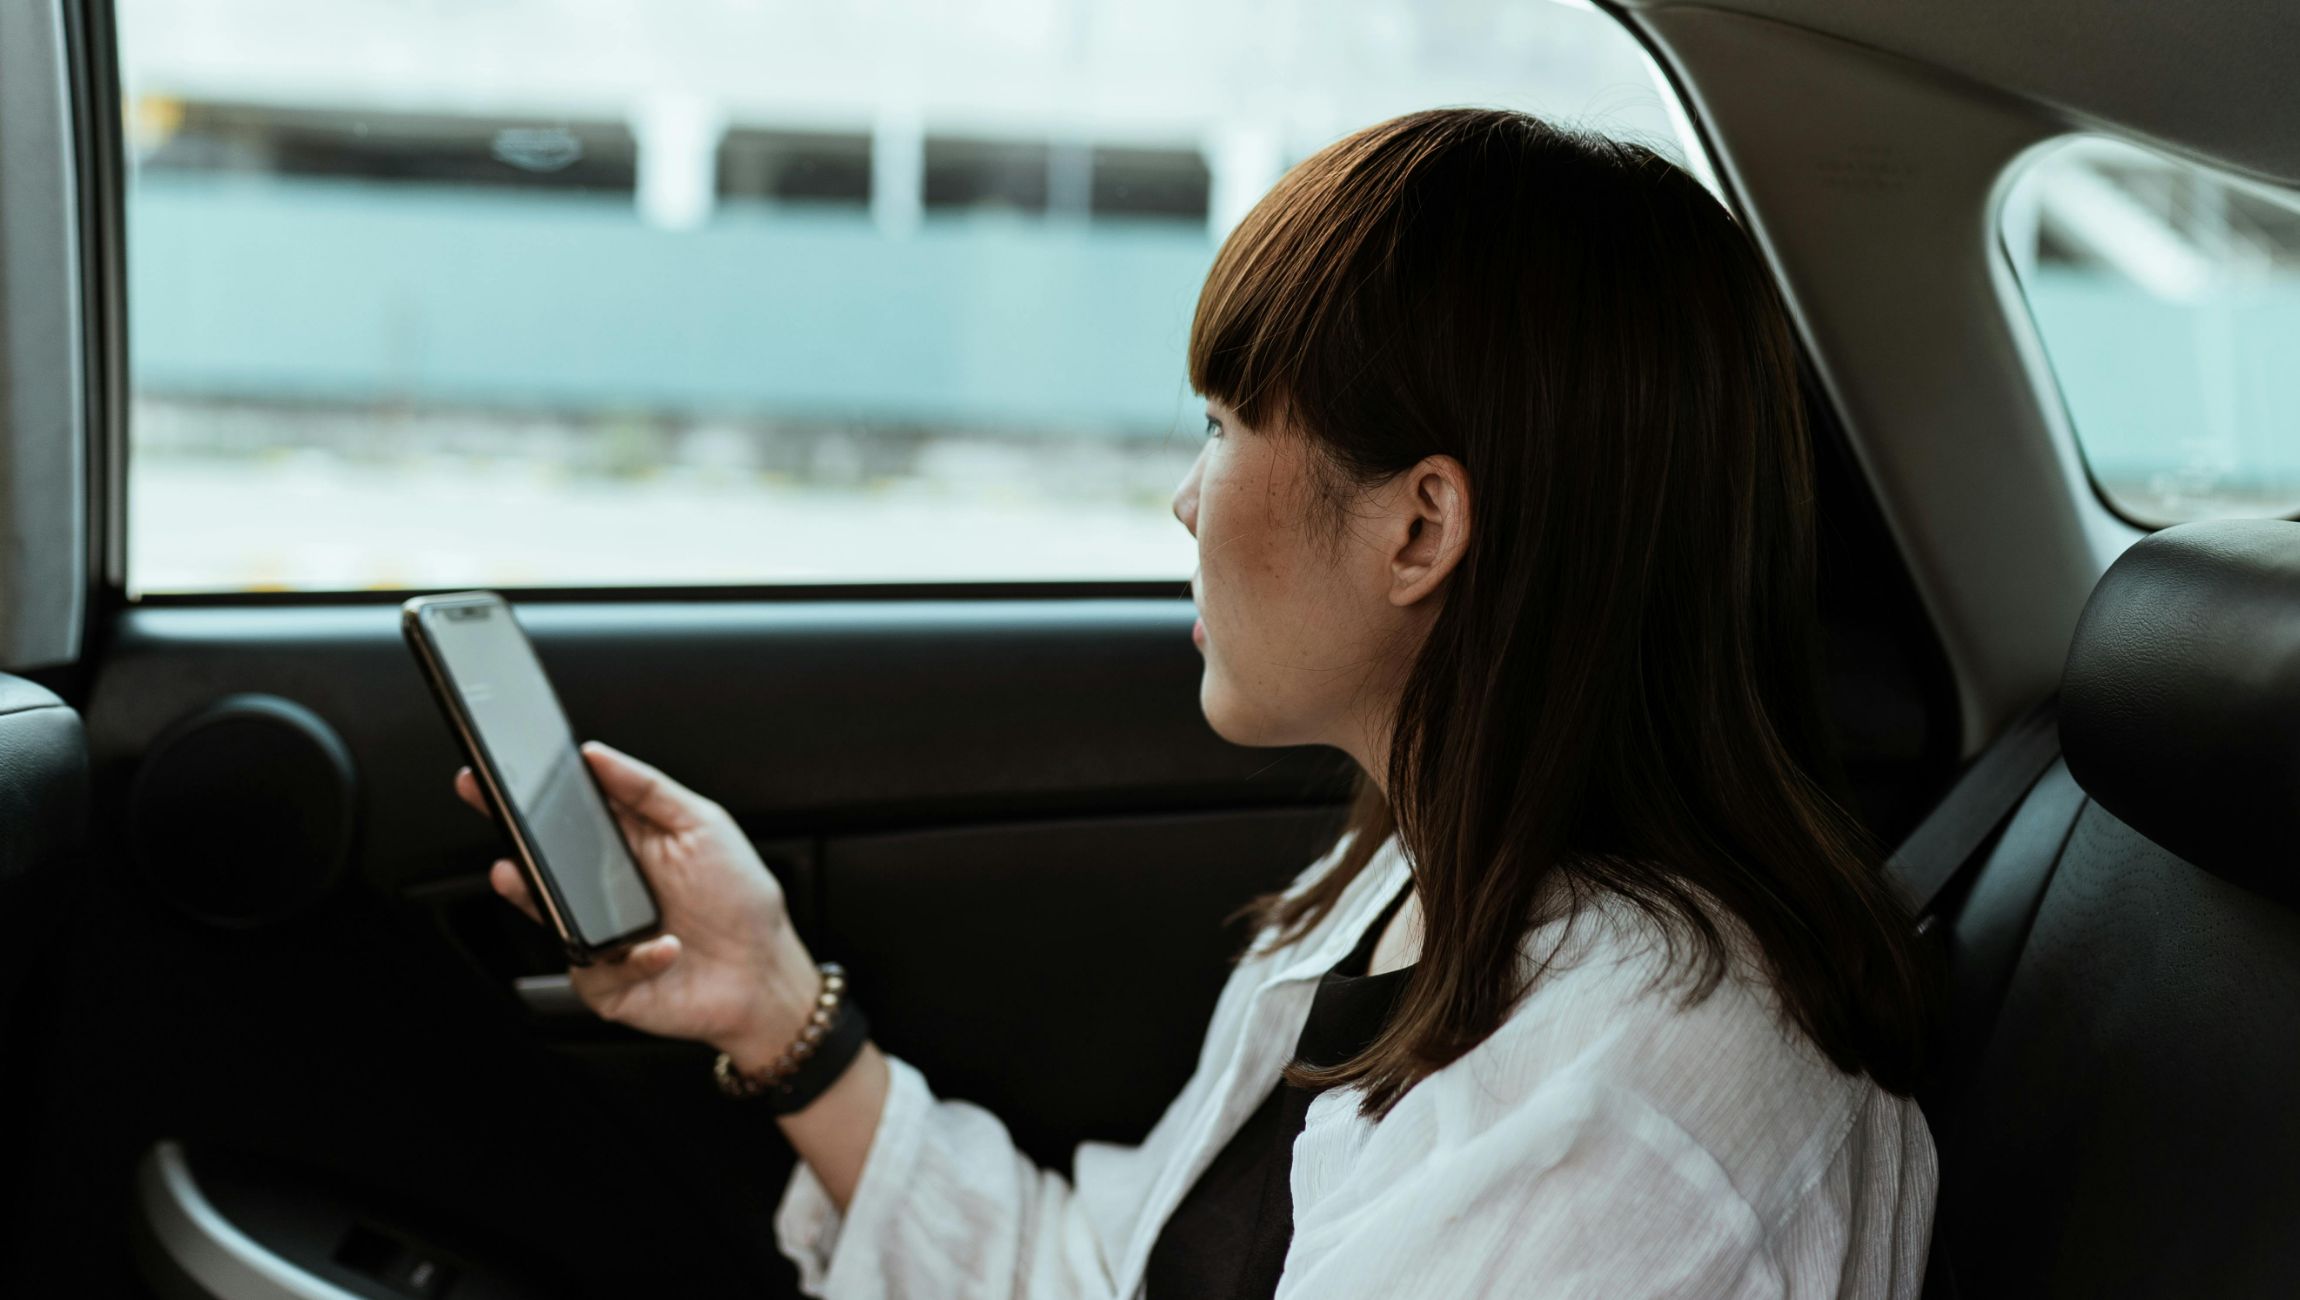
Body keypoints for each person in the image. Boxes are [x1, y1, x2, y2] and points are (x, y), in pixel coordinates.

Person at [455, 107, 1939, 1298]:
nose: (1183, 499)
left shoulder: (1627, 1111)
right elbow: (1119, 1273)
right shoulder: (1412, 889)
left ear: (1419, 530)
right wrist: (778, 1009)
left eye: (1226, 426)